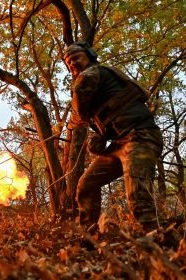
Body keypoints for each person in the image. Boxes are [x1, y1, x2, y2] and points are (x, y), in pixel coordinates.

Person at [64, 42, 165, 232]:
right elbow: (106, 117)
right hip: (120, 144)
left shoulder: (92, 74)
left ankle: (155, 243)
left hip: (141, 138)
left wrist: (70, 126)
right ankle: (89, 238)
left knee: (138, 196)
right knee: (86, 185)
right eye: (69, 63)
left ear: (90, 55)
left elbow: (78, 110)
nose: (72, 64)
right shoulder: (97, 86)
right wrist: (100, 136)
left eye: (76, 58)